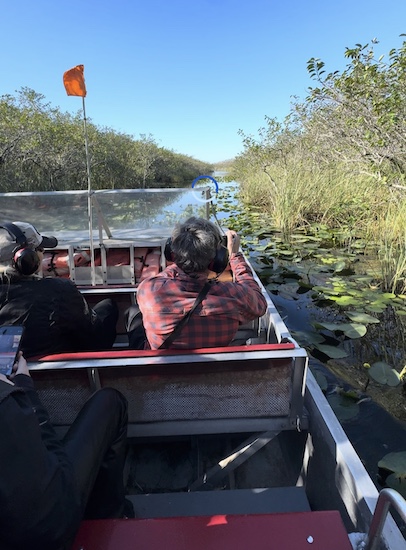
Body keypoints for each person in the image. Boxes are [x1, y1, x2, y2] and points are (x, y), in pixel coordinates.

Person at [0, 352, 131, 550]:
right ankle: (109, 519)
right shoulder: (5, 401)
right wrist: (25, 391)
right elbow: (47, 461)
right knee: (110, 401)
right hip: (50, 526)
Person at [135, 217, 268, 349]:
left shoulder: (149, 290)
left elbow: (165, 276)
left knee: (133, 314)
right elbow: (259, 303)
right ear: (216, 261)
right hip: (212, 367)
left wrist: (183, 260)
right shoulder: (234, 295)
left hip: (161, 367)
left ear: (172, 255)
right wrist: (235, 256)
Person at [0, 221, 118, 357]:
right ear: (27, 259)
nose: (43, 252)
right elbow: (94, 341)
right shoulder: (59, 290)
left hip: (14, 375)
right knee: (108, 306)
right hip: (59, 376)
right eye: (39, 249)